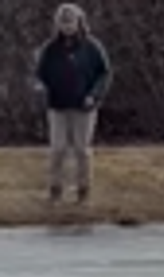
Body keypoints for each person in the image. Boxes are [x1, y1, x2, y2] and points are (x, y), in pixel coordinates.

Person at [33, 3, 111, 204]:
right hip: (57, 106)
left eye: (70, 22)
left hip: (84, 106)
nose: (67, 26)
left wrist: (94, 95)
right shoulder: (50, 49)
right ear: (58, 24)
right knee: (57, 149)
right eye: (63, 22)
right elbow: (40, 74)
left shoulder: (92, 47)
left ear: (79, 22)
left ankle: (83, 190)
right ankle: (55, 190)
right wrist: (40, 87)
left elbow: (104, 74)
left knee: (81, 149)